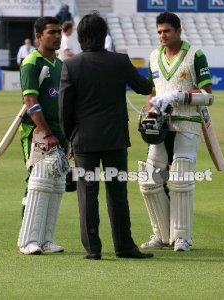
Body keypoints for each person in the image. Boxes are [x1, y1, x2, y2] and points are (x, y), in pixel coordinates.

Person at [59, 12, 154, 260]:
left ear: (80, 38)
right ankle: (124, 247)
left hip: (84, 140)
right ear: (104, 36)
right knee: (118, 194)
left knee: (87, 194)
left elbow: (64, 109)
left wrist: (71, 138)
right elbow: (144, 87)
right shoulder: (120, 61)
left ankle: (93, 249)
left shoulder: (70, 65)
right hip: (115, 139)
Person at [138, 12, 213, 252]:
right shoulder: (153, 56)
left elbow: (208, 96)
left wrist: (178, 96)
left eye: (167, 31)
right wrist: (150, 110)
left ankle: (182, 237)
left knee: (181, 180)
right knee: (149, 181)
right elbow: (152, 92)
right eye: (159, 31)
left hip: (187, 124)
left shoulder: (194, 55)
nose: (162, 35)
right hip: (160, 126)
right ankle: (161, 234)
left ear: (178, 31)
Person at [17, 16, 69, 255]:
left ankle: (46, 238)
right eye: (52, 32)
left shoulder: (58, 64)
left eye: (59, 32)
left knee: (56, 185)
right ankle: (28, 240)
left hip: (59, 131)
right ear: (39, 36)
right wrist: (45, 132)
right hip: (37, 132)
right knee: (37, 184)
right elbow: (30, 101)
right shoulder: (31, 62)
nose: (57, 36)